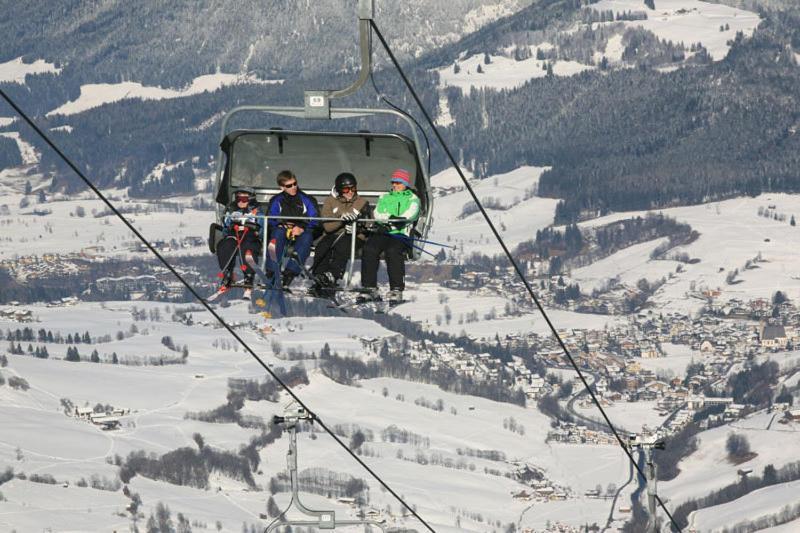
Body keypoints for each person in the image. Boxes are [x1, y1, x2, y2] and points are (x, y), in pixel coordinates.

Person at [360, 168, 420, 304]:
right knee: (369, 249)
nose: (395, 185)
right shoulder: (385, 197)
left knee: (393, 252)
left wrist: (400, 219)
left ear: (405, 184)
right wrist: (390, 219)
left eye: (398, 183)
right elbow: (378, 213)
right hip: (384, 231)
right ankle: (369, 287)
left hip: (401, 233)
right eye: (393, 182)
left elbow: (412, 214)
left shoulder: (413, 199)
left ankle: (396, 289)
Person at [309, 172, 370, 297]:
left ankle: (333, 276)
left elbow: (368, 223)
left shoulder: (362, 202)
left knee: (341, 248)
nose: (350, 192)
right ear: (339, 189)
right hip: (333, 233)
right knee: (322, 247)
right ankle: (319, 278)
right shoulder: (330, 201)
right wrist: (341, 220)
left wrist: (356, 227)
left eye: (353, 188)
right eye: (346, 189)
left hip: (353, 236)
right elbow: (327, 226)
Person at [265, 170, 320, 287]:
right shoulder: (276, 200)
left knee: (306, 238)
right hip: (283, 229)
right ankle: (272, 271)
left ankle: (290, 273)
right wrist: (281, 224)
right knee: (277, 235)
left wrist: (302, 227)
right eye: (289, 186)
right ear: (282, 187)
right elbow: (270, 219)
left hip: (302, 230)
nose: (293, 187)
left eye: (295, 184)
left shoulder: (306, 199)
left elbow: (316, 220)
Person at [216, 187, 264, 298]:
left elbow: (262, 227)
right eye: (239, 198)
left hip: (250, 236)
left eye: (244, 198)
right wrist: (229, 228)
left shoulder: (257, 211)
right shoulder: (231, 210)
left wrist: (256, 230)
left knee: (247, 248)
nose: (241, 201)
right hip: (234, 234)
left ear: (251, 199)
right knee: (225, 245)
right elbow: (226, 226)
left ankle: (248, 276)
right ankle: (227, 274)